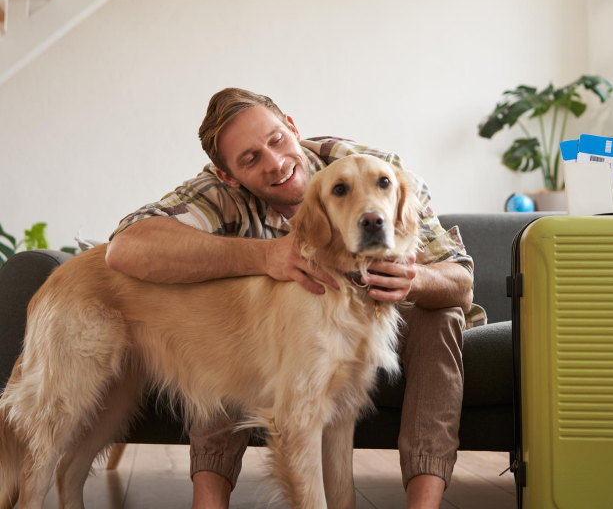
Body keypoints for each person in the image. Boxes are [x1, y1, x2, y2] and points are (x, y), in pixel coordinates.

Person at [105, 88, 485, 509]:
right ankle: (208, 501)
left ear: (291, 126)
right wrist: (262, 255)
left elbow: (461, 282)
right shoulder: (218, 192)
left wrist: (413, 280)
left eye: (276, 140)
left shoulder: (380, 171)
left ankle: (425, 505)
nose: (276, 162)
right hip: (295, 326)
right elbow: (125, 247)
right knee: (227, 315)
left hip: (393, 309)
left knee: (444, 313)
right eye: (250, 159)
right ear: (228, 175)